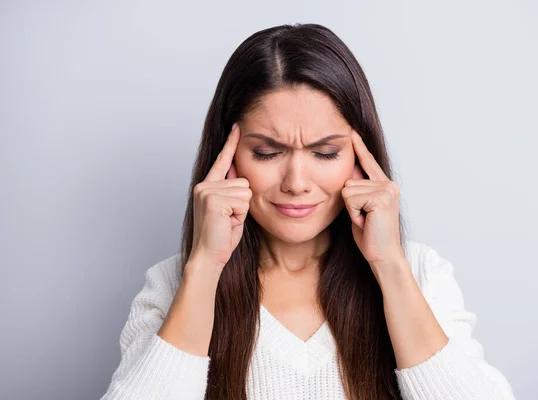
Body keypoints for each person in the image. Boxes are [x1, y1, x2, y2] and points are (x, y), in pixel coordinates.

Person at [100, 23, 515, 400]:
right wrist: (206, 267)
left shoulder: (423, 276)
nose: (296, 182)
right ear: (227, 160)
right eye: (266, 153)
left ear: (361, 155)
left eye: (325, 152)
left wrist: (389, 265)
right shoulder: (172, 285)